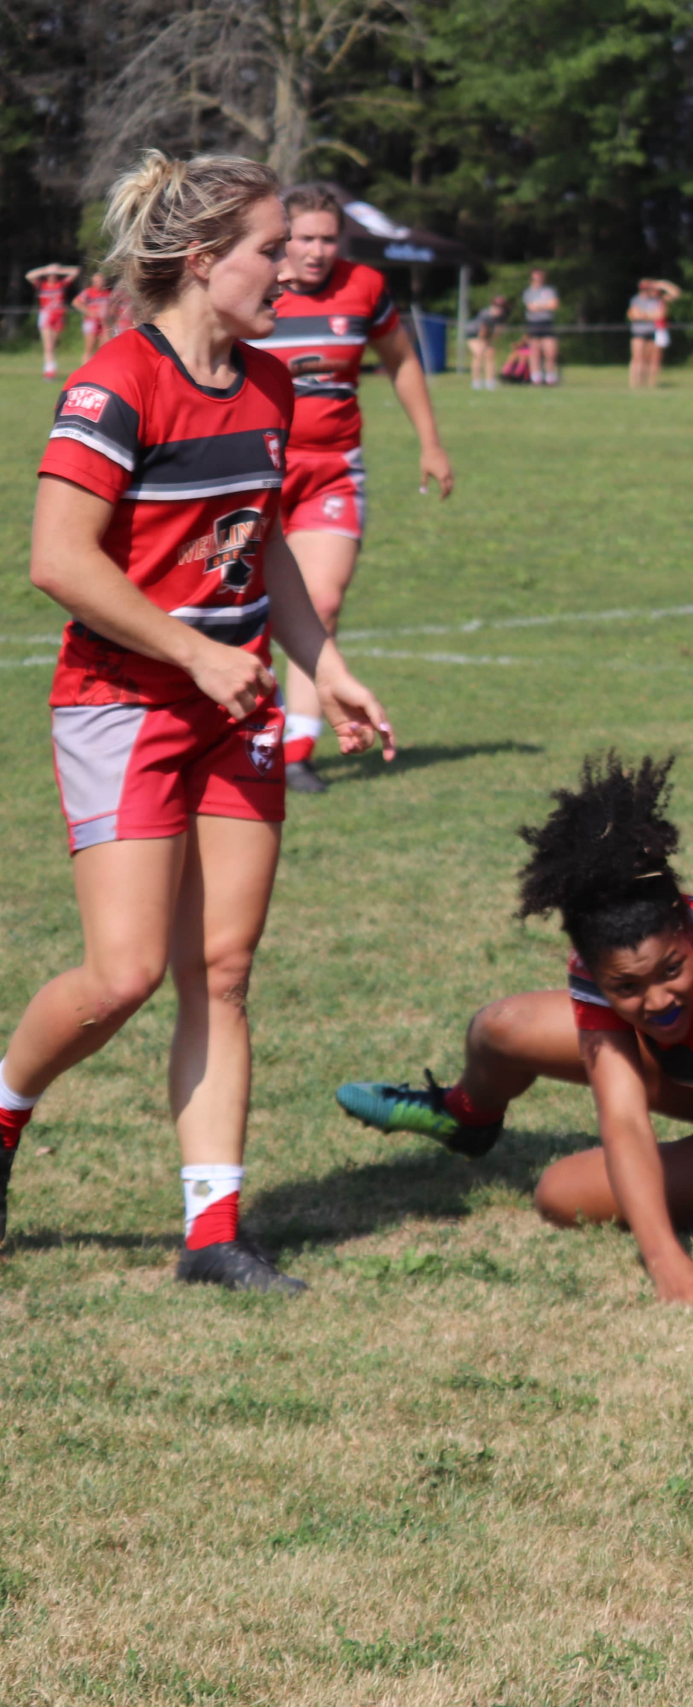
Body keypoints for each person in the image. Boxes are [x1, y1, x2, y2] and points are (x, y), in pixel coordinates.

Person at [0, 150, 394, 1279]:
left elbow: (258, 542)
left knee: (222, 970)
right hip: (125, 705)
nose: (292, 272)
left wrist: (327, 663)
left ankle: (213, 1234)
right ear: (202, 259)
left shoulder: (270, 385)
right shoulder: (115, 383)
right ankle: (6, 1107)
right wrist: (191, 653)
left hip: (239, 707)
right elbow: (58, 561)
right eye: (272, 251)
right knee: (121, 976)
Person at [335, 755, 693, 1306]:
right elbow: (623, 1118)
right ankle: (465, 1118)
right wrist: (665, 1260)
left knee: (565, 1191)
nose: (656, 1000)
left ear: (686, 924)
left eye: (671, 970)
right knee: (505, 1037)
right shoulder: (604, 966)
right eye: (625, 986)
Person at [249, 185, 455, 796]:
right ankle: (246, 730)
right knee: (247, 610)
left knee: (322, 604)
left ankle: (297, 749)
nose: (316, 251)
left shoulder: (364, 287)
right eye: (304, 238)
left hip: (333, 469)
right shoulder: (254, 283)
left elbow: (402, 360)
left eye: (327, 239)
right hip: (258, 469)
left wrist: (431, 443)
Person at [26, 262, 78, 378]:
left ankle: (50, 367)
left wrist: (59, 269)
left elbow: (76, 271)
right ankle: (49, 370)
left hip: (58, 316)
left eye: (54, 274)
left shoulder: (61, 284)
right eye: (50, 274)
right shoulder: (41, 285)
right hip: (46, 316)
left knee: (52, 345)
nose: (52, 276)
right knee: (48, 345)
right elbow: (29, 275)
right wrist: (46, 269)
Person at [626, 279, 678, 388]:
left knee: (650, 359)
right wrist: (651, 315)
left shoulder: (657, 300)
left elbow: (675, 295)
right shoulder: (635, 300)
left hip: (652, 332)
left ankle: (648, 383)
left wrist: (663, 284)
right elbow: (634, 315)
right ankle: (634, 383)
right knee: (637, 358)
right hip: (638, 332)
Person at [520, 268, 561, 385]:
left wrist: (539, 306)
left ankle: (550, 377)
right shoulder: (528, 292)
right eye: (535, 277)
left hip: (547, 323)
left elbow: (554, 305)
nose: (538, 279)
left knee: (550, 351)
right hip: (534, 323)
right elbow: (531, 307)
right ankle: (536, 377)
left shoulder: (549, 290)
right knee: (535, 352)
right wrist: (545, 305)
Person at [466, 292, 509, 390]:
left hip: (487, 336)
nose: (499, 308)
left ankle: (490, 381)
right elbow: (482, 331)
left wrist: (493, 338)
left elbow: (497, 331)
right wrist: (484, 343)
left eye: (501, 306)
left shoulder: (501, 316)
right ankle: (476, 381)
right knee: (479, 354)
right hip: (474, 334)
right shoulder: (485, 314)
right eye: (497, 306)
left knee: (490, 355)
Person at [76, 272, 116, 362]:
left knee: (104, 347)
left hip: (103, 322)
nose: (99, 283)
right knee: (89, 347)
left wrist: (108, 313)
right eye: (97, 281)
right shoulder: (88, 292)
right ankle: (85, 368)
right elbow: (76, 302)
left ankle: (100, 367)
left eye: (101, 281)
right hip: (91, 321)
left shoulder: (108, 293)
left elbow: (113, 308)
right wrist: (89, 312)